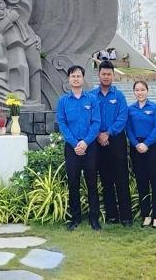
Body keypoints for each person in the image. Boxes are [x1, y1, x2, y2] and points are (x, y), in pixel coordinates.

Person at [56, 64, 102, 230]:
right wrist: (75, 143)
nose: (76, 79)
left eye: (78, 76)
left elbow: (96, 122)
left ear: (83, 79)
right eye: (73, 76)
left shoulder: (92, 100)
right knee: (73, 183)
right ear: (69, 80)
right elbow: (62, 123)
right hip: (72, 148)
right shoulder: (63, 101)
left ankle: (94, 219)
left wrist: (85, 142)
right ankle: (75, 218)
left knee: (91, 183)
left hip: (89, 147)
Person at [91, 60, 133, 226]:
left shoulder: (119, 96)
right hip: (98, 142)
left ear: (113, 75)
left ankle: (126, 217)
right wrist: (99, 135)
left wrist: (108, 133)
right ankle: (111, 215)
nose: (106, 76)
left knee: (121, 179)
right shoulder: (92, 95)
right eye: (104, 74)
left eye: (109, 74)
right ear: (99, 75)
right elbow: (91, 118)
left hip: (116, 141)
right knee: (106, 179)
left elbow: (122, 118)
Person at [127, 80, 156, 229]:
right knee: (142, 182)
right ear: (134, 92)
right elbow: (128, 129)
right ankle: (146, 214)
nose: (140, 92)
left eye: (142, 90)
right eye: (137, 90)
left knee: (155, 183)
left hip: (152, 147)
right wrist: (136, 144)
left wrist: (146, 144)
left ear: (147, 91)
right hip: (136, 148)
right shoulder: (130, 109)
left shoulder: (154, 108)